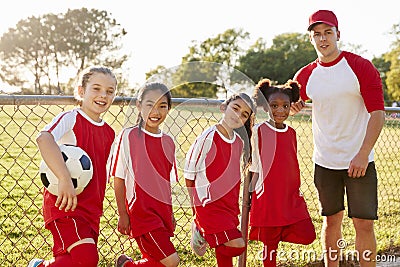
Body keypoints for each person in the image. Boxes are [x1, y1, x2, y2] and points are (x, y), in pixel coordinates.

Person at [292, 10, 385, 267]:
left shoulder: (360, 67)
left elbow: (377, 114)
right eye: (317, 34)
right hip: (325, 162)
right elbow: (285, 104)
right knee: (331, 221)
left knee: (363, 224)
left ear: (338, 35)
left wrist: (363, 154)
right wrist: (292, 106)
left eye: (328, 33)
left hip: (360, 160)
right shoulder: (305, 76)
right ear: (311, 39)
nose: (323, 39)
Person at [28, 66, 118, 267]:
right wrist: (64, 178)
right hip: (65, 204)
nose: (103, 95)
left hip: (91, 209)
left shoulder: (109, 133)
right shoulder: (71, 118)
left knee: (71, 261)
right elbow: (44, 138)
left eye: (109, 91)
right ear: (81, 91)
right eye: (96, 88)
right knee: (87, 258)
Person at [110, 82, 180, 267]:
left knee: (155, 260)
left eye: (162, 106)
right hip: (142, 213)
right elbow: (119, 178)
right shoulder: (129, 136)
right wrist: (122, 213)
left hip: (162, 213)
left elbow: (166, 183)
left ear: (169, 109)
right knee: (171, 261)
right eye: (150, 104)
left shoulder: (169, 142)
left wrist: (170, 214)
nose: (155, 111)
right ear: (139, 106)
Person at [249, 78, 316, 267]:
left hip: (290, 196)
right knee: (270, 246)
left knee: (307, 234)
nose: (280, 110)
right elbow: (253, 165)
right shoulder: (259, 130)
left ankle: (276, 233)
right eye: (274, 105)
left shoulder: (291, 132)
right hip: (268, 196)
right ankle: (270, 240)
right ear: (265, 107)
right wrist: (251, 194)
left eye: (285, 105)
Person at [184, 93, 255, 267]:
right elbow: (189, 173)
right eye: (235, 108)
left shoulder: (239, 142)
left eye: (244, 114)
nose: (238, 115)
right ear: (224, 107)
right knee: (238, 245)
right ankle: (200, 230)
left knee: (224, 251)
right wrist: (196, 211)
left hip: (229, 206)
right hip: (208, 206)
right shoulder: (208, 137)